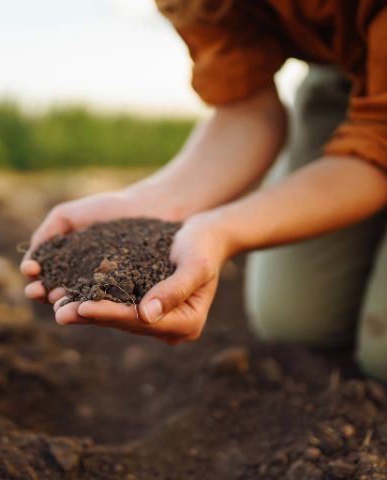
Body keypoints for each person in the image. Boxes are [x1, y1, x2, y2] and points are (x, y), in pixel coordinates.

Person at [20, 0, 387, 382]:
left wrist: (223, 231)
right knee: (296, 321)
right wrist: (151, 205)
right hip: (346, 67)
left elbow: (379, 144)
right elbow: (245, 109)